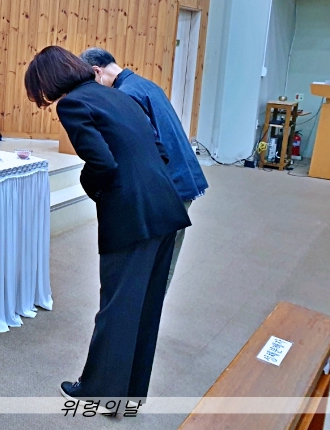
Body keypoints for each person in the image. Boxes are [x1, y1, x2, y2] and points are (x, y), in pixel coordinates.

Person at [24, 46, 190, 402]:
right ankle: (131, 392)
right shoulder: (119, 95)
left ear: (48, 81)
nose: (45, 98)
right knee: (145, 307)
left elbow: (103, 163)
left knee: (116, 305)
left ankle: (99, 391)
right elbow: (160, 150)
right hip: (166, 207)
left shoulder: (73, 104)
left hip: (131, 216)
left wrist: (93, 188)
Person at [80, 48, 208, 291]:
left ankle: (147, 312)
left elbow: (144, 147)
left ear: (97, 72)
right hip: (182, 175)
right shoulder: (143, 84)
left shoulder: (125, 95)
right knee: (160, 259)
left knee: (155, 264)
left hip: (168, 184)